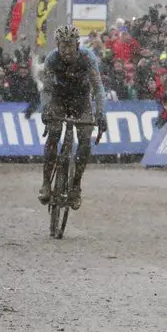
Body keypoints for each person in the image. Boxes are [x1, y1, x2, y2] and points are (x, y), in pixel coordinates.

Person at [38, 25, 108, 210]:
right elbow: (46, 89)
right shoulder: (52, 59)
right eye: (63, 46)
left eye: (70, 45)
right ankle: (46, 182)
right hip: (59, 99)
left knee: (85, 139)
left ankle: (76, 186)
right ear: (57, 45)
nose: (67, 50)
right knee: (54, 132)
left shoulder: (87, 58)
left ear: (77, 44)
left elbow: (99, 88)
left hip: (81, 100)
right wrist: (46, 109)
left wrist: (101, 113)